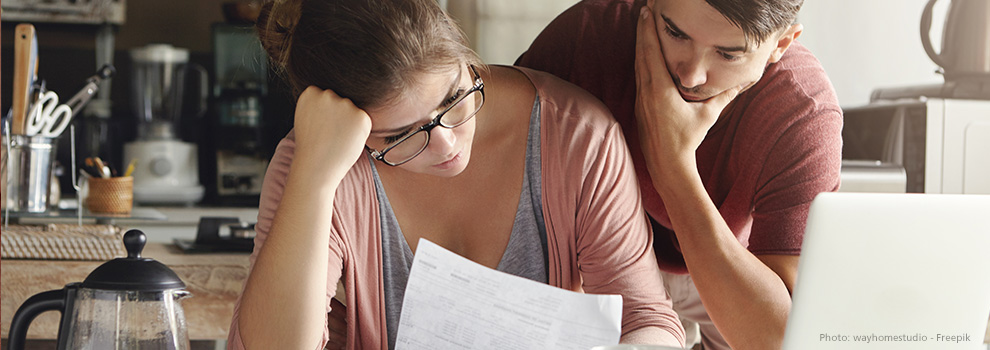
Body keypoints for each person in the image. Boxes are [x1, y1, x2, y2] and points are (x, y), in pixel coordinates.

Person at [227, 0, 686, 349]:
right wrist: (314, 177)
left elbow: (648, 320)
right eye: (400, 136)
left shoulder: (575, 134)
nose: (447, 144)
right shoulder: (314, 162)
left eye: (453, 99)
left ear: (466, 58)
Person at [515, 0, 843, 349]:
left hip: (733, 259)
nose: (691, 75)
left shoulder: (802, 112)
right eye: (675, 33)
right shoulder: (585, 38)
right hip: (599, 257)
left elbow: (779, 340)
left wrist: (672, 166)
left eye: (727, 54)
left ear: (780, 44)